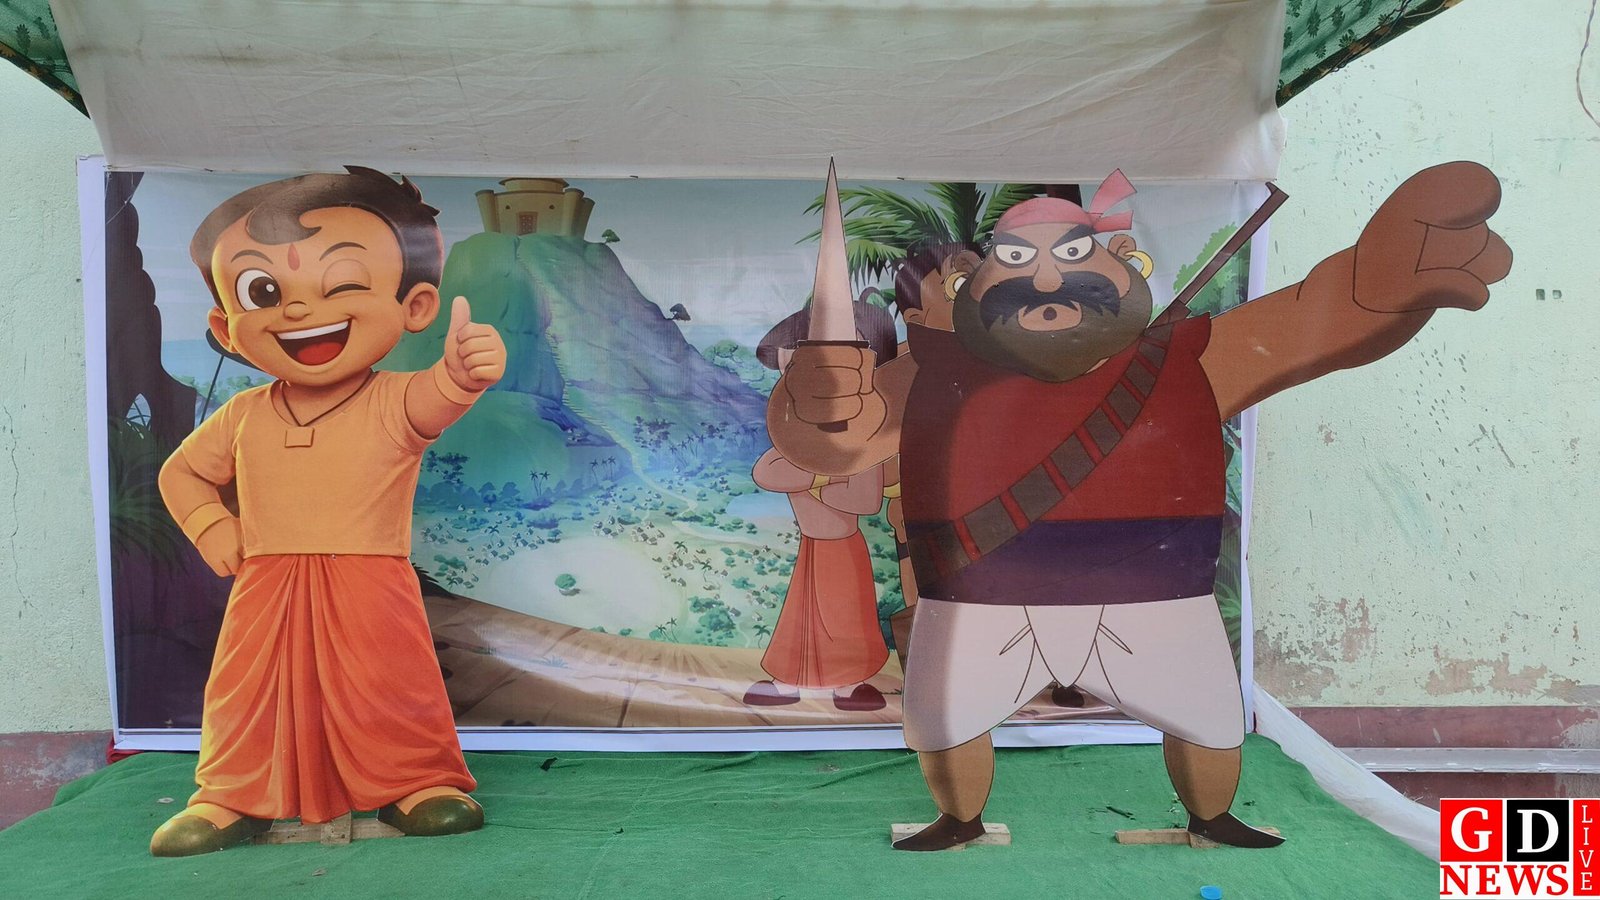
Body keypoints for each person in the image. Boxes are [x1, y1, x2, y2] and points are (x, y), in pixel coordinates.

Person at [767, 163, 1512, 850]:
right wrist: (819, 401)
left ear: (1127, 264)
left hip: (1157, 591)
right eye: (1018, 259)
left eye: (1071, 254)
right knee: (947, 717)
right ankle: (959, 819)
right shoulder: (930, 370)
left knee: (1205, 715)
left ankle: (1211, 816)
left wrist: (1376, 285)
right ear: (971, 285)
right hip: (980, 593)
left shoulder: (1191, 354)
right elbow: (839, 436)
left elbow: (1315, 316)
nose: (1046, 279)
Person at [151, 167, 507, 856]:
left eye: (340, 283)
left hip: (369, 579)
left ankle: (416, 780)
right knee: (247, 689)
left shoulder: (392, 399)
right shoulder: (243, 413)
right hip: (266, 582)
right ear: (226, 327)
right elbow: (183, 472)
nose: (297, 310)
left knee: (387, 680)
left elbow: (438, 396)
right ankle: (231, 794)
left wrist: (464, 374)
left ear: (415, 305)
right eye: (263, 292)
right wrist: (211, 524)